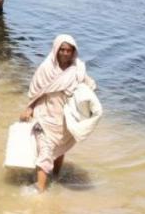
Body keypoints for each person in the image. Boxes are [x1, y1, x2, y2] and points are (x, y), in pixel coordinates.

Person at [19, 34, 97, 192]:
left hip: (66, 118)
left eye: (69, 50)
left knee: (60, 149)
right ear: (56, 50)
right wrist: (29, 108)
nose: (65, 53)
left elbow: (90, 87)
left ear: (73, 52)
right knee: (45, 150)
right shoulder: (46, 69)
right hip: (46, 114)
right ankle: (40, 189)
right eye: (62, 49)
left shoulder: (78, 70)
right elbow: (36, 91)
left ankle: (54, 176)